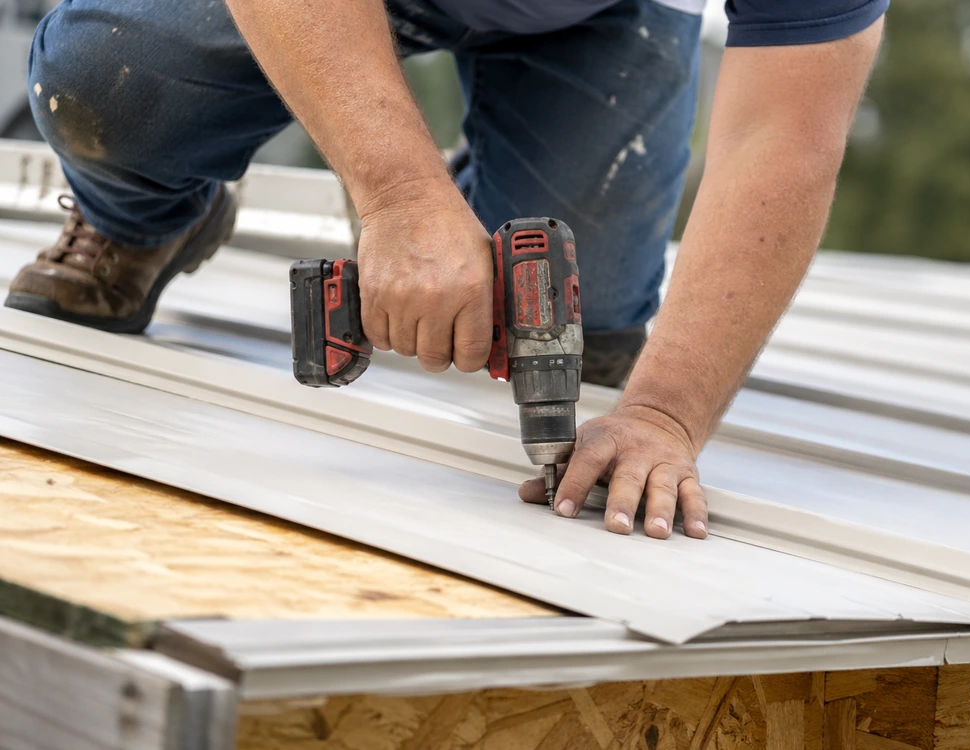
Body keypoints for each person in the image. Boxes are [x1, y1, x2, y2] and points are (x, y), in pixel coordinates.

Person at [9, 0, 885, 540]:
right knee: (107, 86)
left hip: (593, 13)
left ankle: (461, 213)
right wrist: (395, 194)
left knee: (590, 315)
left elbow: (786, 136)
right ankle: (143, 218)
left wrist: (666, 413)